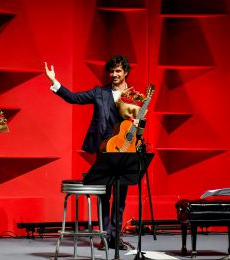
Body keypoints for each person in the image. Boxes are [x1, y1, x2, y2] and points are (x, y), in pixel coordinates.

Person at [44, 55, 132, 250]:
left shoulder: (135, 95)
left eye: (118, 71)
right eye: (112, 71)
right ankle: (105, 236)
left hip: (126, 149)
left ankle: (116, 237)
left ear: (125, 72)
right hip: (104, 148)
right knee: (104, 194)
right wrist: (54, 82)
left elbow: (139, 123)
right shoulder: (99, 92)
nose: (114, 74)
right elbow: (74, 98)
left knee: (120, 196)